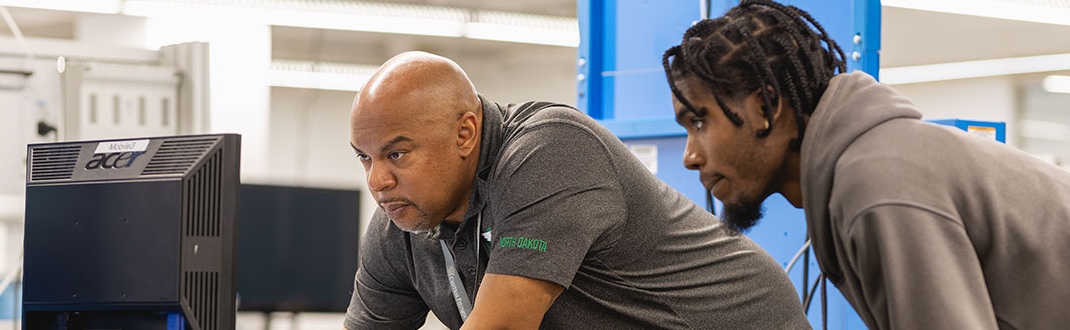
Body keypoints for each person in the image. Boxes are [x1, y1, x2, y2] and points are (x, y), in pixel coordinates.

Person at [661, 1, 1070, 329]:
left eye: (700, 122)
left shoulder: (876, 185)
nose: (690, 155)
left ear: (765, 106)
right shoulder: (864, 168)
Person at [343, 51, 811, 329]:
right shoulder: (399, 228)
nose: (377, 181)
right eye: (364, 157)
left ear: (466, 133)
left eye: (397, 154)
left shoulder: (548, 151)